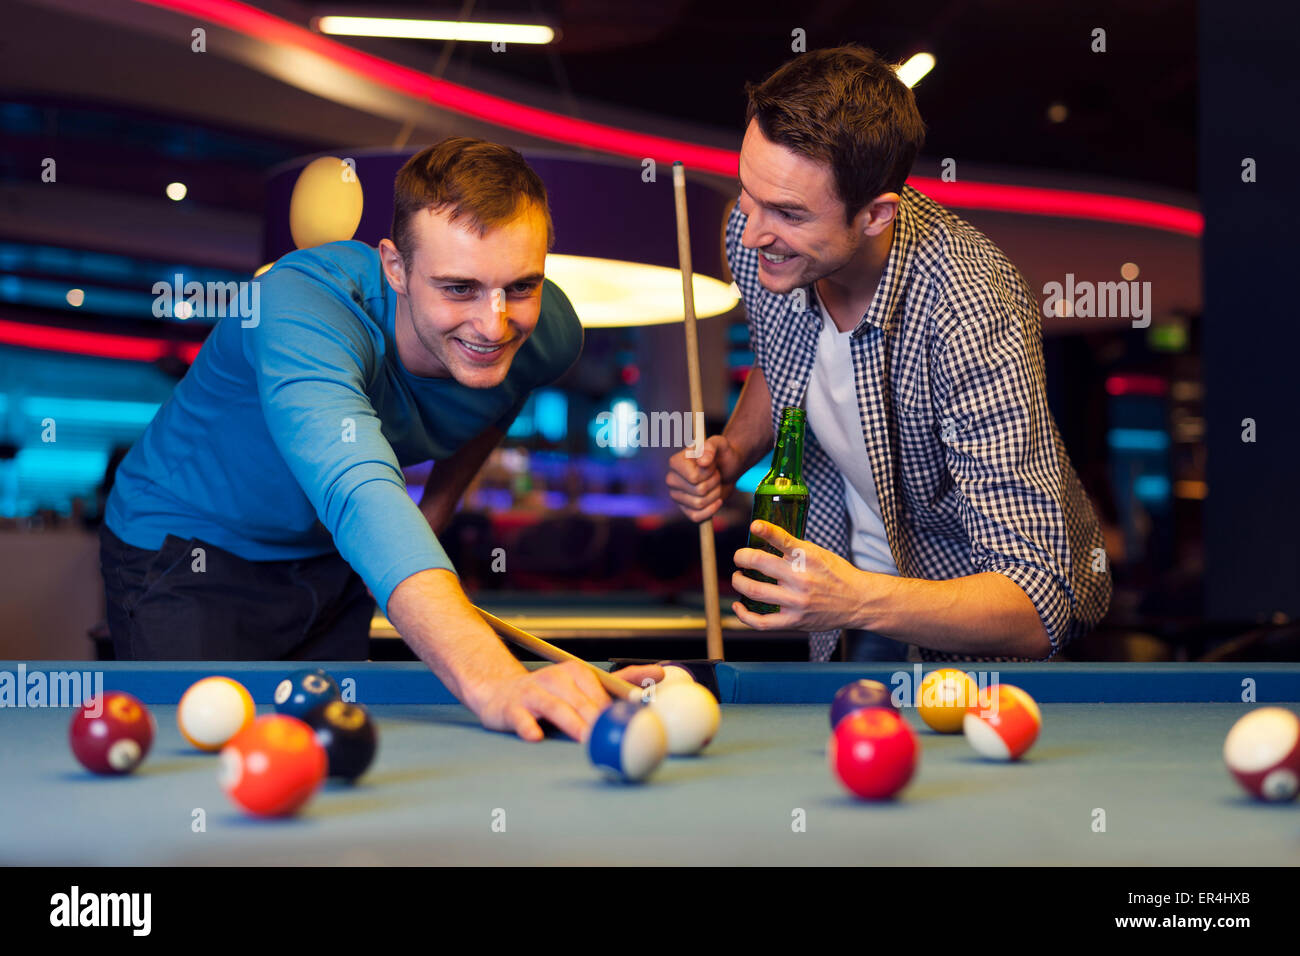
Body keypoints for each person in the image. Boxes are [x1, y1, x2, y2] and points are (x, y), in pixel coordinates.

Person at [101, 137, 660, 739]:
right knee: (206, 766)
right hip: (190, 548)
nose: (494, 324)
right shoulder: (300, 308)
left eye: (520, 286)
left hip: (332, 558)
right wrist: (497, 678)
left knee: (322, 752)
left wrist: (436, 509)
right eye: (458, 288)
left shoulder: (547, 332)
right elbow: (358, 491)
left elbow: (505, 391)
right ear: (395, 267)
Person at [666, 46, 1112, 663]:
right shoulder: (764, 244)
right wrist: (732, 450)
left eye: (789, 213)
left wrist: (855, 600)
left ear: (876, 214)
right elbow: (782, 361)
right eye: (749, 194)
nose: (750, 233)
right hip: (848, 600)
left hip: (976, 622)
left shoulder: (970, 304)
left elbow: (1038, 602)